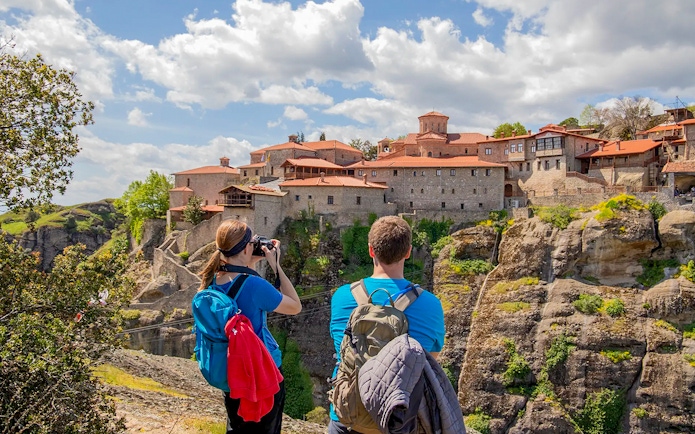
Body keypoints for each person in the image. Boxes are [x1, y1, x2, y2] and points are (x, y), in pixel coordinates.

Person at [328, 215, 446, 434]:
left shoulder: (342, 297)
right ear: (408, 252)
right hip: (400, 419)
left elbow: (341, 348)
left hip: (347, 416)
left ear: (371, 250)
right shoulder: (430, 304)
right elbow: (428, 359)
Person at [198, 219, 301, 434]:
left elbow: (239, 290)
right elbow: (294, 306)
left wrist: (249, 262)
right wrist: (276, 265)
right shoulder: (254, 285)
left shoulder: (212, 281)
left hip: (232, 373)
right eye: (253, 241)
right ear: (246, 247)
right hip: (261, 375)